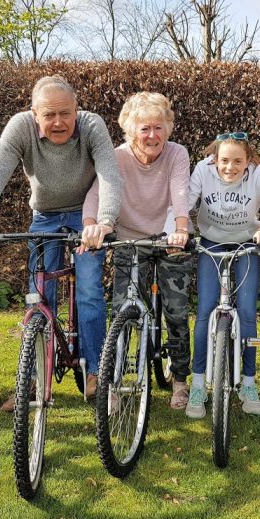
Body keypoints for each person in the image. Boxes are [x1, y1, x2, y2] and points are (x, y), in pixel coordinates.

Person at [0, 76, 121, 404]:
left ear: (77, 109)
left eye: (65, 113)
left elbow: (109, 175)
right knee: (39, 296)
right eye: (49, 115)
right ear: (34, 114)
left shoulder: (92, 125)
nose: (58, 122)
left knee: (89, 290)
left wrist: (104, 221)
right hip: (45, 216)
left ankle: (97, 376)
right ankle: (33, 379)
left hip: (86, 216)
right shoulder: (20, 127)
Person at [82, 92, 194, 409]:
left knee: (176, 311)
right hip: (131, 240)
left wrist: (181, 230)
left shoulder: (177, 153)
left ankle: (180, 380)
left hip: (170, 238)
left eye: (159, 127)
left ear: (167, 128)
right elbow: (96, 194)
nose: (152, 136)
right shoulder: (117, 157)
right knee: (122, 309)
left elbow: (180, 193)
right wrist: (90, 226)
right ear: (131, 130)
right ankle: (114, 382)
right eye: (145, 128)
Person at [185, 133, 260, 418]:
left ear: (248, 160)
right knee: (205, 311)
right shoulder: (203, 171)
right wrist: (178, 230)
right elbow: (184, 203)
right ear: (215, 159)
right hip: (211, 243)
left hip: (245, 244)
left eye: (238, 161)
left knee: (248, 312)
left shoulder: (258, 177)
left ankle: (249, 383)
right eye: (224, 161)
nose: (230, 167)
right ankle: (198, 384)